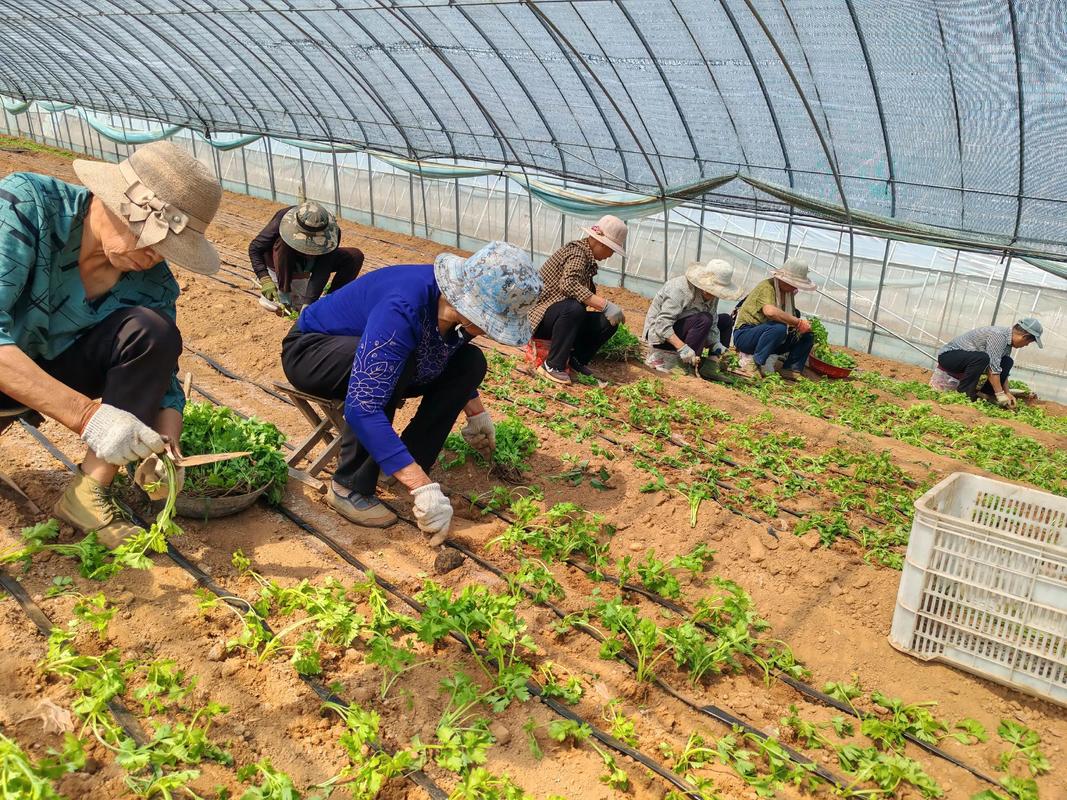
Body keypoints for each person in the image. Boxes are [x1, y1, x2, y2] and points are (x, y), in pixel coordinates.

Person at [0, 141, 223, 545]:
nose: (155, 255)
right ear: (114, 201)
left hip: (42, 377)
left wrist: (168, 446)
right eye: (149, 237)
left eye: (168, 248)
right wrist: (90, 418)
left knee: (154, 332)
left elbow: (165, 379)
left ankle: (87, 494)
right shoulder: (27, 205)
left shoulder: (153, 283)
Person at [280, 241, 541, 545]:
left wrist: (476, 412)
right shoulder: (403, 305)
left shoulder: (454, 311)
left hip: (380, 353)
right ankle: (348, 486)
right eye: (489, 322)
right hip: (313, 352)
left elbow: (448, 352)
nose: (488, 330)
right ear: (468, 304)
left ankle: (404, 464)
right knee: (393, 367)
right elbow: (363, 407)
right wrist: (422, 488)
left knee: (470, 363)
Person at [529, 215, 627, 384]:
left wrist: (606, 310)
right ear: (601, 243)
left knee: (607, 322)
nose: (610, 255)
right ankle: (552, 366)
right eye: (611, 250)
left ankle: (575, 360)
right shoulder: (577, 253)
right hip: (541, 317)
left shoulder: (587, 258)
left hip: (559, 319)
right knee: (573, 308)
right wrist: (604, 304)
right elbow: (568, 285)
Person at [249, 201, 363, 313]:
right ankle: (283, 289)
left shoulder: (332, 232)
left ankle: (330, 303)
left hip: (310, 264)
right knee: (283, 244)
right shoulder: (283, 218)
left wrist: (309, 302)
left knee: (354, 256)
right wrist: (264, 278)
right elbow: (255, 248)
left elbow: (324, 267)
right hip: (282, 266)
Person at [642, 258, 744, 377]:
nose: (713, 294)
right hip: (661, 337)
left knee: (725, 320)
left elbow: (713, 322)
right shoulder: (679, 289)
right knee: (704, 319)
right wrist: (683, 348)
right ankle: (683, 366)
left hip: (691, 329)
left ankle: (711, 366)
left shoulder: (713, 295)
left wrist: (716, 344)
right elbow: (662, 324)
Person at [732, 258, 817, 380]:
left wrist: (800, 328)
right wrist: (798, 322)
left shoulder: (788, 294)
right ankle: (754, 364)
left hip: (770, 338)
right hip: (746, 335)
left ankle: (791, 368)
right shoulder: (767, 287)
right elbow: (770, 312)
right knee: (779, 328)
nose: (795, 288)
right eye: (794, 284)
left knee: (807, 335)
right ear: (784, 280)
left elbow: (790, 316)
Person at [935, 319, 1043, 407]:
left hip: (967, 360)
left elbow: (998, 368)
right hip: (949, 357)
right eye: (1028, 342)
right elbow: (993, 369)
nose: (1026, 345)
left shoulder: (1007, 343)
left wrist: (1007, 393)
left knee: (1007, 361)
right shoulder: (999, 336)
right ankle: (964, 394)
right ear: (1024, 337)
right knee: (982, 358)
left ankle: (985, 394)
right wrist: (1000, 395)